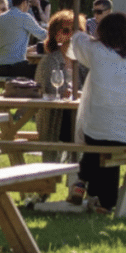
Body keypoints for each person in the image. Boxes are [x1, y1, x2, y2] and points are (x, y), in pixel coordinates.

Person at [69, 11, 126, 213]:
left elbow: (77, 41)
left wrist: (77, 28)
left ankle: (87, 185)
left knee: (100, 139)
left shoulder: (97, 51)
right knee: (108, 144)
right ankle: (100, 199)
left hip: (99, 130)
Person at [34, 10, 82, 163]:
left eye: (78, 31)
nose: (72, 36)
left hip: (78, 115)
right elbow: (50, 91)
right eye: (66, 31)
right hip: (56, 119)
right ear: (56, 35)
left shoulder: (82, 62)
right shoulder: (50, 62)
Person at [0, 0, 47, 78]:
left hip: (0, 67)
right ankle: (40, 92)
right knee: (45, 69)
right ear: (24, 3)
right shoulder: (24, 17)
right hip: (16, 67)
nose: (29, 7)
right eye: (29, 4)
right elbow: (43, 35)